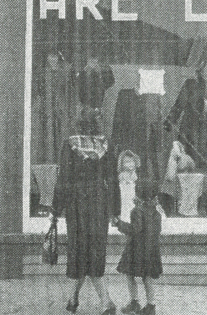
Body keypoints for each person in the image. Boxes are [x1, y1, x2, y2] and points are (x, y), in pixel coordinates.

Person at [51, 109, 119, 315]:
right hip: (99, 201)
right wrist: (115, 210)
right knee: (96, 249)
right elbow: (113, 180)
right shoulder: (106, 145)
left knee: (78, 249)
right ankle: (103, 301)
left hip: (76, 202)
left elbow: (63, 179)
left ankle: (75, 299)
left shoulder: (69, 145)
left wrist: (55, 209)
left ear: (79, 124)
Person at [114, 179, 162, 315]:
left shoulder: (137, 211)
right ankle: (151, 305)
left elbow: (134, 229)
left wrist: (119, 224)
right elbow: (157, 231)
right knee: (147, 277)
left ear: (137, 195)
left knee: (129, 275)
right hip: (151, 250)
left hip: (136, 250)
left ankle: (134, 302)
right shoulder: (156, 212)